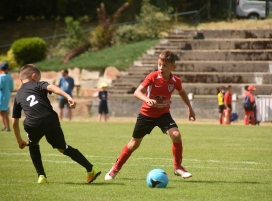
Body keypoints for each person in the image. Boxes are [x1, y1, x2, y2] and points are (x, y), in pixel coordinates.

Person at [104, 50, 196, 181]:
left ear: (172, 67)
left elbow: (182, 92)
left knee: (176, 135)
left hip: (164, 114)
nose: (161, 68)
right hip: (146, 115)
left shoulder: (175, 81)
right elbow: (137, 92)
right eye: (159, 64)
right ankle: (115, 168)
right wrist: (147, 100)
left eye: (164, 65)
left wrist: (190, 108)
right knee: (133, 144)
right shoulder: (153, 76)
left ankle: (178, 167)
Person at [12, 64, 101, 184]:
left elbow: (14, 122)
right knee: (63, 148)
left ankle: (41, 176)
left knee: (33, 145)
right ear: (34, 76)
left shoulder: (18, 95)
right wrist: (68, 96)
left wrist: (19, 140)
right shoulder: (39, 84)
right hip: (50, 119)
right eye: (39, 77)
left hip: (33, 123)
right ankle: (91, 169)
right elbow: (52, 88)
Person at [0, 62, 14, 132]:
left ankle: (7, 127)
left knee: (4, 111)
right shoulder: (10, 76)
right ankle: (4, 126)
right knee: (2, 111)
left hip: (2, 96)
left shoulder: (1, 77)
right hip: (7, 95)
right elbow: (12, 87)